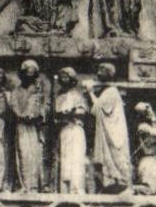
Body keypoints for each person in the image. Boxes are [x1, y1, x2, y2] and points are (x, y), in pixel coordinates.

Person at [88, 63, 131, 192]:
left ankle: (121, 181)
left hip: (114, 132)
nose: (98, 73)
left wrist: (90, 92)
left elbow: (96, 109)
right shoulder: (108, 91)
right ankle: (114, 181)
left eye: (102, 70)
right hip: (110, 130)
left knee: (116, 157)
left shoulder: (110, 91)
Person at [8, 59, 49, 192]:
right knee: (24, 154)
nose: (29, 75)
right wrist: (22, 115)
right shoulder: (16, 91)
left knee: (36, 155)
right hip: (22, 126)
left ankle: (37, 185)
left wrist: (38, 114)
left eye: (32, 73)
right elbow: (13, 106)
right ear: (22, 74)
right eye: (27, 72)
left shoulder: (39, 91)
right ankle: (25, 184)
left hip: (35, 127)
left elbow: (44, 106)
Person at [53, 68, 88, 195]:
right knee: (65, 159)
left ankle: (77, 188)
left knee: (77, 158)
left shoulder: (77, 95)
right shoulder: (59, 96)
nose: (63, 79)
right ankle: (65, 189)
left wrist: (71, 112)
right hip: (64, 130)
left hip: (75, 129)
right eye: (61, 77)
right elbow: (56, 114)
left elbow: (83, 110)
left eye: (66, 77)